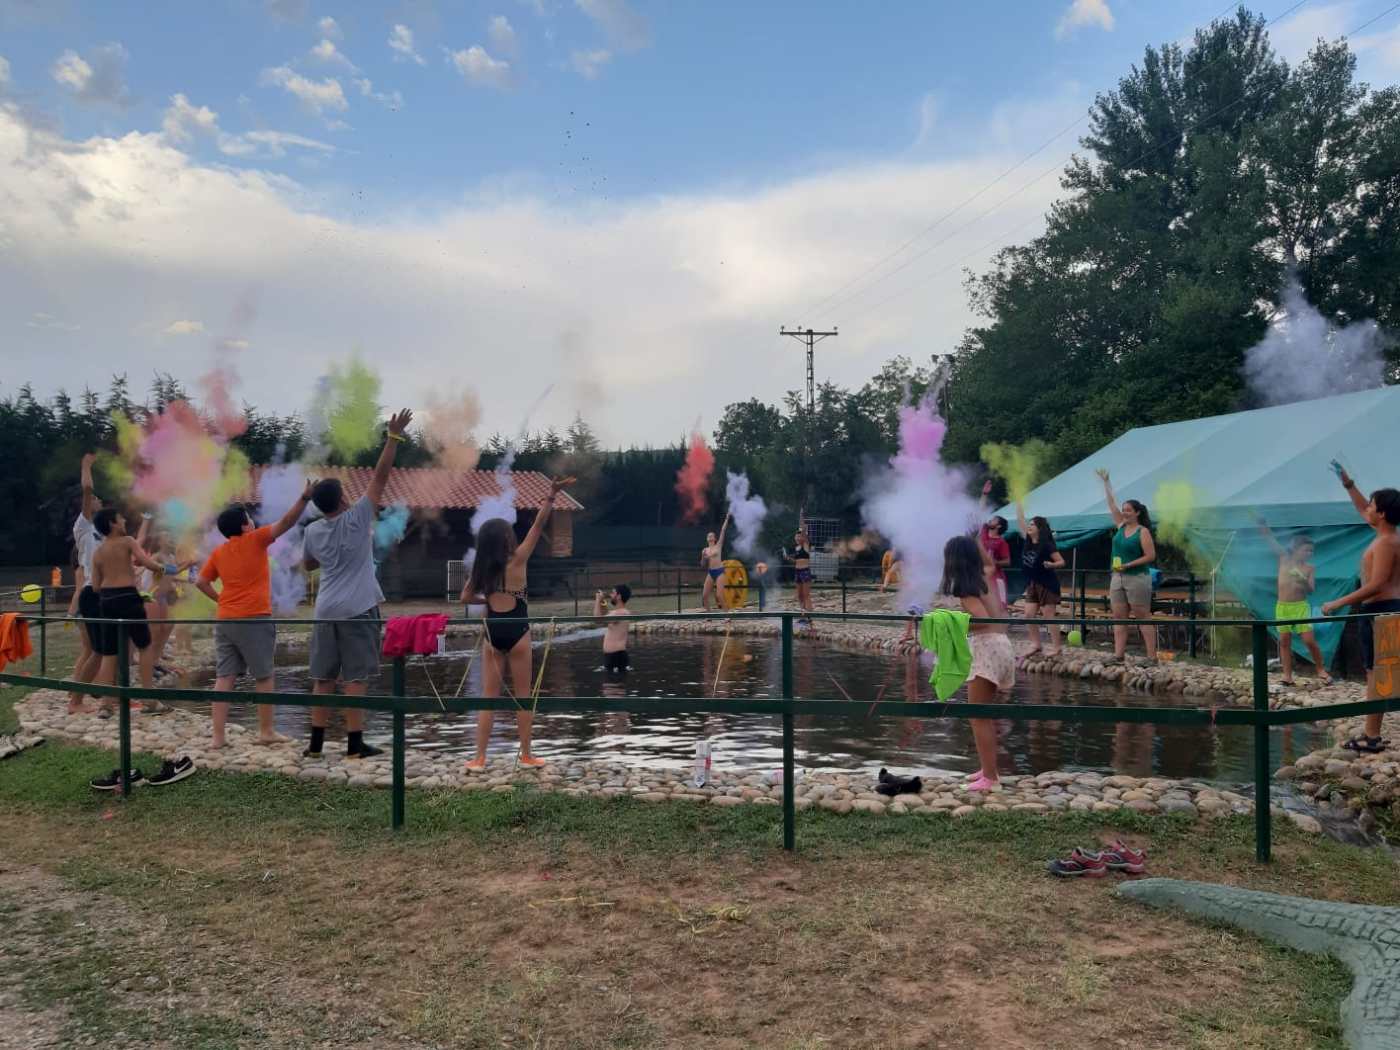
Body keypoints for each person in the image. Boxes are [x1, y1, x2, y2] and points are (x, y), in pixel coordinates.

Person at [301, 409, 413, 760]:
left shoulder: (312, 531)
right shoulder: (358, 517)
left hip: (324, 610)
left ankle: (315, 745)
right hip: (358, 609)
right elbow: (381, 475)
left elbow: (308, 565)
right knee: (355, 678)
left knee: (322, 678)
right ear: (343, 499)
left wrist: (330, 556)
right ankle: (354, 744)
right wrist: (393, 437)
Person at [464, 475, 572, 770]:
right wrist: (551, 495)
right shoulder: (519, 559)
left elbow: (465, 597)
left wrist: (488, 599)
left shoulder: (481, 568)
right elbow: (538, 525)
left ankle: (479, 758)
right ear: (507, 539)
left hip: (493, 631)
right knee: (523, 696)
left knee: (488, 698)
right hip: (518, 630)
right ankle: (525, 755)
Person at [197, 483, 313, 748]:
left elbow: (201, 582)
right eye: (249, 518)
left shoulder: (218, 552)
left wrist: (221, 600)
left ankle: (218, 738)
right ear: (244, 526)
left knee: (224, 677)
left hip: (225, 619)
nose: (252, 521)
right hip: (254, 618)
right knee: (264, 675)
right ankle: (266, 731)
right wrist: (304, 497)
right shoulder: (256, 539)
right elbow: (287, 522)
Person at [1321, 467, 1400, 753]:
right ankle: (1372, 733)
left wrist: (1338, 602)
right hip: (1382, 610)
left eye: (1372, 505)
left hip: (1382, 610)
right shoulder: (1385, 534)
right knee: (1378, 673)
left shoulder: (1387, 542)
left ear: (1382, 513)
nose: (1367, 508)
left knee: (1376, 674)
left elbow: (1378, 584)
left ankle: (1371, 736)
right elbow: (1362, 509)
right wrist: (1349, 485)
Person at [942, 533, 1012, 791]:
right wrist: (977, 541)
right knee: (983, 715)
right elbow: (990, 563)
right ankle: (988, 768)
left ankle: (990, 779)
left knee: (977, 715)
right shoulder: (985, 578)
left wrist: (952, 624)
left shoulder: (965, 588)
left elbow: (982, 620)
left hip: (986, 649)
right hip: (1002, 645)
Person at [89, 507, 173, 710]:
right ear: (112, 523)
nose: (124, 521)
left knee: (109, 652)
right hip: (128, 597)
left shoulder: (98, 552)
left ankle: (106, 704)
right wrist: (161, 568)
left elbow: (95, 586)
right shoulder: (127, 541)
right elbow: (145, 561)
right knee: (144, 646)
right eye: (121, 518)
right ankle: (148, 699)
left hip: (107, 599)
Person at [1257, 520, 1330, 687]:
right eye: (1306, 550)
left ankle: (1321, 669)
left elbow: (1311, 590)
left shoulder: (1309, 568)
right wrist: (1263, 526)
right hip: (1283, 607)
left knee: (1309, 641)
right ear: (1296, 549)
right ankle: (1287, 676)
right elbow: (1271, 541)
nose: (1309, 553)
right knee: (1284, 641)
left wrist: (1303, 581)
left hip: (1300, 607)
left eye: (1311, 551)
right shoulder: (1284, 558)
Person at [1096, 469, 1157, 661]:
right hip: (1117, 577)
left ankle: (1151, 657)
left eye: (1128, 510)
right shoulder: (1121, 526)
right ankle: (1118, 655)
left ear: (1137, 512)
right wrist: (1106, 482)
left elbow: (1150, 556)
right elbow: (1111, 504)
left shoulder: (1142, 531)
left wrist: (1128, 565)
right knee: (1119, 617)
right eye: (1124, 510)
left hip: (1137, 577)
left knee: (1142, 616)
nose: (1124, 512)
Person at [66, 453, 102, 714]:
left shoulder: (99, 531)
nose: (97, 501)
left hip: (99, 592)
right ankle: (76, 700)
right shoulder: (85, 525)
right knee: (96, 649)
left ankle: (77, 693)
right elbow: (88, 489)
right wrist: (86, 466)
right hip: (92, 593)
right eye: (95, 500)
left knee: (93, 648)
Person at [1016, 500, 1066, 656]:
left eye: (1033, 524)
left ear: (1040, 528)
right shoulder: (1028, 541)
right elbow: (1021, 521)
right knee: (1029, 615)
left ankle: (1057, 647)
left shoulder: (1047, 545)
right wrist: (1019, 505)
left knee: (1048, 615)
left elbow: (1061, 562)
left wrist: (1051, 565)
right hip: (1032, 583)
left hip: (1047, 584)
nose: (1029, 526)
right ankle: (1036, 644)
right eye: (1029, 524)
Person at [978, 480, 1012, 605]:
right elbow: (980, 511)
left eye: (994, 519)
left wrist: (993, 562)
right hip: (981, 576)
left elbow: (1007, 562)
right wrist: (984, 494)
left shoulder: (1001, 542)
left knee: (999, 605)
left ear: (998, 526)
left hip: (996, 578)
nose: (990, 520)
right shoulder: (984, 532)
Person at [594, 583, 632, 673]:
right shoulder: (617, 612)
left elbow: (597, 619)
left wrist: (598, 600)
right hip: (612, 656)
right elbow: (606, 614)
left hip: (616, 656)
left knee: (613, 682)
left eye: (613, 593)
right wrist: (602, 602)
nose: (610, 595)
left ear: (619, 596)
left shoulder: (622, 613)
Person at [700, 512, 731, 611]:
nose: (709, 537)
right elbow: (702, 565)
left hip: (719, 571)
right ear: (706, 539)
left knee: (719, 595)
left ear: (714, 538)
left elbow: (723, 530)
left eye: (711, 536)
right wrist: (703, 557)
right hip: (711, 572)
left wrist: (727, 518)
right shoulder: (705, 550)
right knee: (704, 596)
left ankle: (726, 615)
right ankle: (709, 615)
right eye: (708, 536)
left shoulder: (718, 545)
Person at [789, 528, 814, 623]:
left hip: (805, 571)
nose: (798, 538)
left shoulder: (805, 545)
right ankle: (803, 615)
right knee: (800, 596)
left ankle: (809, 617)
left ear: (803, 537)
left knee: (806, 595)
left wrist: (802, 521)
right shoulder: (796, 548)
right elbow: (796, 560)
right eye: (797, 536)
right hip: (797, 571)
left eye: (800, 536)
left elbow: (804, 533)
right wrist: (789, 558)